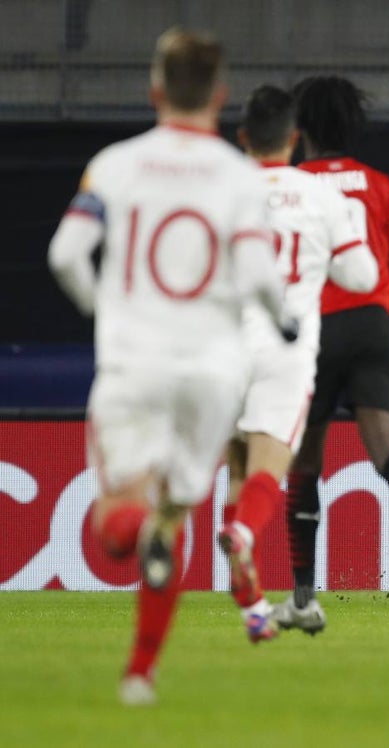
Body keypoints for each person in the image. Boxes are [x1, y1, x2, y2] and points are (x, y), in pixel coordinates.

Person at [47, 28, 291, 705]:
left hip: (135, 362)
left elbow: (66, 255)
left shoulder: (116, 164)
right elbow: (260, 274)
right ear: (220, 97)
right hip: (213, 372)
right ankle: (139, 672)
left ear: (155, 91)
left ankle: (140, 643)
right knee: (177, 514)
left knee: (116, 526)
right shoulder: (239, 178)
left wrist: (107, 315)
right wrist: (287, 318)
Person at [279, 75, 389, 627]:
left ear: (301, 129)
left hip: (313, 330)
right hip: (371, 327)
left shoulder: (291, 185)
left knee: (305, 461)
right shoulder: (379, 185)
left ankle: (305, 597)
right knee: (386, 450)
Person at [218, 85, 379, 643]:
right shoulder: (319, 196)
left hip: (221, 348)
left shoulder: (220, 193)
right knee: (268, 470)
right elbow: (362, 277)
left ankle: (253, 608)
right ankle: (240, 532)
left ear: (242, 138)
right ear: (294, 138)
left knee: (236, 469)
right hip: (285, 352)